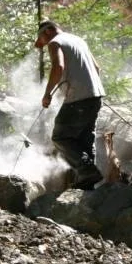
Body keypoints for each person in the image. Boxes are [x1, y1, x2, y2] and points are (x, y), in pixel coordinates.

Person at [34, 19, 106, 189]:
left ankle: (86, 170)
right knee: (85, 139)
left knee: (60, 136)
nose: (44, 45)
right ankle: (86, 185)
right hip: (95, 96)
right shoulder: (79, 40)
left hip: (78, 98)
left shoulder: (55, 42)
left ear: (48, 31)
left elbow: (58, 67)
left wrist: (48, 94)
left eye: (42, 40)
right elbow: (97, 68)